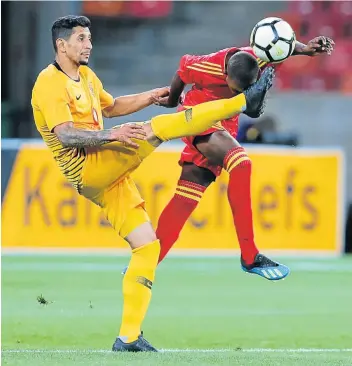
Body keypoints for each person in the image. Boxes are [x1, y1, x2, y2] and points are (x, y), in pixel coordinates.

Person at [31, 15, 274, 352]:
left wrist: (150, 95)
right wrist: (111, 134)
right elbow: (66, 134)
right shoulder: (47, 83)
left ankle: (128, 337)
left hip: (111, 179)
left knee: (148, 246)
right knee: (159, 127)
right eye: (82, 39)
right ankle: (241, 103)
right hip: (89, 167)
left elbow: (112, 106)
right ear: (62, 45)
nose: (89, 44)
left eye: (89, 38)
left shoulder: (85, 76)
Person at [152, 36, 334, 280]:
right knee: (241, 163)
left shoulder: (262, 59)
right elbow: (183, 68)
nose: (238, 93)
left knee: (186, 195)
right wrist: (173, 99)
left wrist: (305, 49)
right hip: (197, 116)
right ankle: (249, 255)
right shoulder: (209, 65)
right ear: (226, 75)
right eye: (235, 90)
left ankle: (145, 262)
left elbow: (281, 46)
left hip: (224, 125)